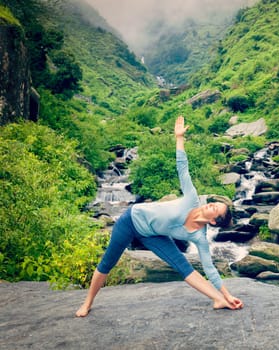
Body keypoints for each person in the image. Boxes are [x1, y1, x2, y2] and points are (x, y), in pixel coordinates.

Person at [75, 116, 243, 317]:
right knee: (107, 263)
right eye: (214, 202)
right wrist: (179, 138)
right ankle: (87, 302)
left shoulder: (199, 237)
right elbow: (183, 169)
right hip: (131, 220)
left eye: (215, 208)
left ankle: (217, 300)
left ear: (213, 221)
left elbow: (210, 268)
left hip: (153, 235)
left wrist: (226, 295)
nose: (211, 204)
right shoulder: (192, 199)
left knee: (183, 266)